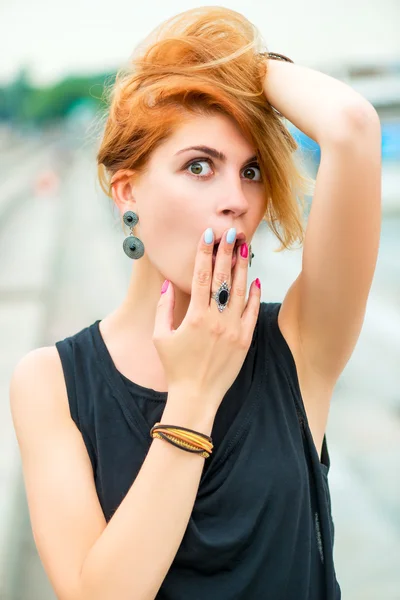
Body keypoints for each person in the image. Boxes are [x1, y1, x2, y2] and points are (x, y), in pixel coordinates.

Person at [10, 5, 382, 600]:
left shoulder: (300, 343)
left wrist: (227, 64)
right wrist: (193, 397)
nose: (235, 198)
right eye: (200, 166)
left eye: (253, 170)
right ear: (127, 191)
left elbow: (351, 126)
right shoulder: (49, 383)